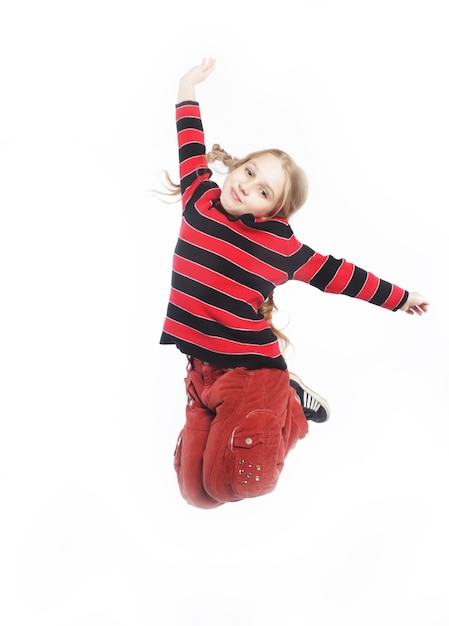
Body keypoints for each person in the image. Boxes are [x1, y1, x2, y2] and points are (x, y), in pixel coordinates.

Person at [159, 58, 430, 509]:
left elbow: (340, 275)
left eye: (264, 191)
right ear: (236, 168)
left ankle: (287, 406)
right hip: (200, 370)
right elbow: (189, 139)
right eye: (249, 172)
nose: (248, 186)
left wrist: (401, 298)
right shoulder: (198, 197)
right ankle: (286, 400)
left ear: (270, 214)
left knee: (239, 484)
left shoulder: (277, 246)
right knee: (197, 495)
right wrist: (187, 85)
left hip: (250, 372)